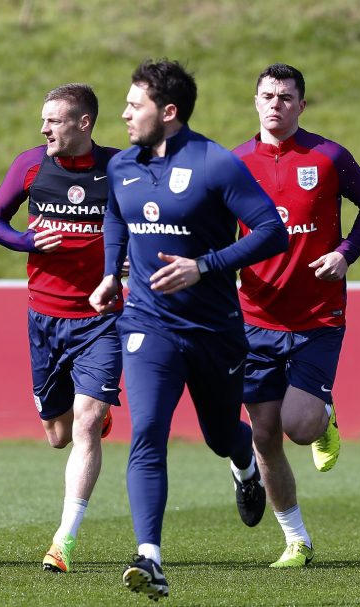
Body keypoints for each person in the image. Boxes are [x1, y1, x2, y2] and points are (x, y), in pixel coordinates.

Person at [90, 59, 288, 600]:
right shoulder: (120, 167)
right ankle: (149, 556)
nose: (125, 114)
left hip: (214, 330)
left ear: (169, 112)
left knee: (219, 434)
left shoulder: (215, 163)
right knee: (148, 430)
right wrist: (111, 273)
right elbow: (116, 215)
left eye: (136, 105)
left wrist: (205, 265)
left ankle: (244, 460)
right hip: (147, 324)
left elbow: (273, 232)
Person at [231, 63, 360, 568]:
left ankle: (324, 417)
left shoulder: (328, 156)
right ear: (255, 102)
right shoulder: (233, 164)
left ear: (302, 105)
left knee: (299, 427)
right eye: (268, 95)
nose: (275, 103)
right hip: (254, 318)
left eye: (286, 96)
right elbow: (206, 226)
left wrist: (346, 252)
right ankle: (295, 538)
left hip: (318, 314)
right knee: (262, 435)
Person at [0, 84, 121, 574]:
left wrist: (129, 266)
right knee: (58, 433)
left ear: (83, 123)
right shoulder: (30, 165)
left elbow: (154, 221)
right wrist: (25, 241)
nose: (44, 130)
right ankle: (91, 411)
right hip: (44, 316)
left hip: (102, 318)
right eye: (43, 121)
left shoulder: (120, 167)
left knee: (85, 424)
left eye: (54, 121)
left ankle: (64, 540)